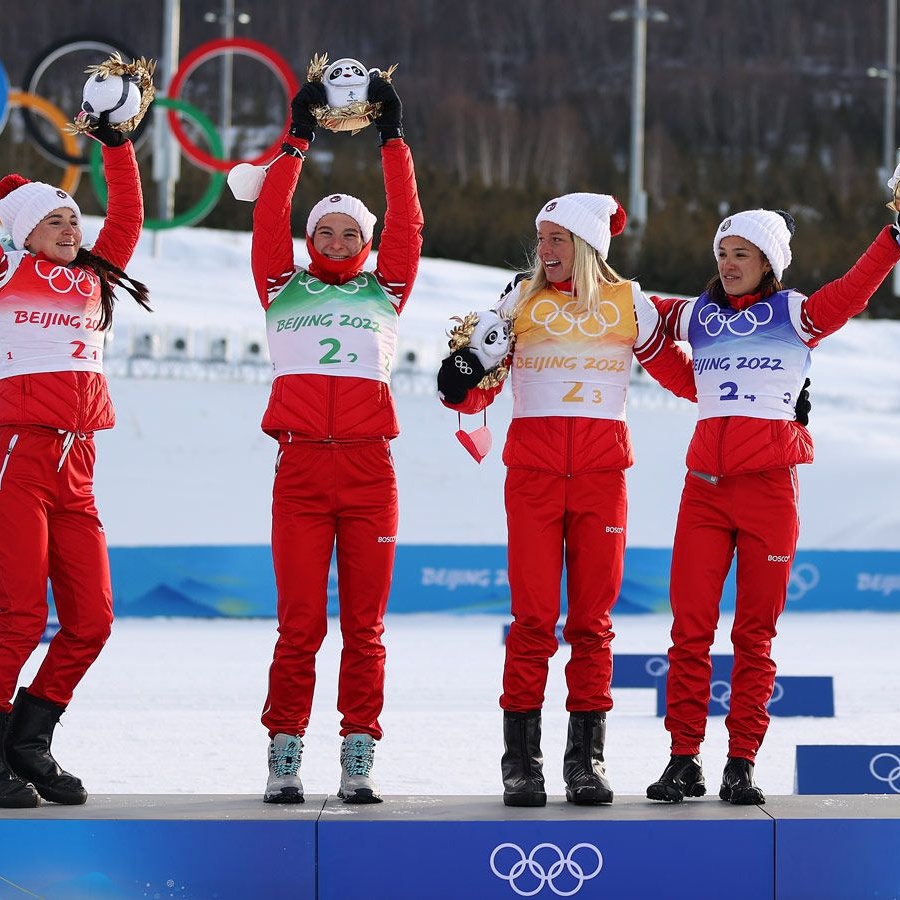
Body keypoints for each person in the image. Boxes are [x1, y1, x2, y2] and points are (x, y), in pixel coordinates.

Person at [437, 193, 696, 806]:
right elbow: (475, 390)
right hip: (533, 476)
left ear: (587, 246)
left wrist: (752, 395)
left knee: (592, 624)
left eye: (557, 240)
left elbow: (683, 376)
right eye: (542, 239)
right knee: (531, 621)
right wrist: (462, 377)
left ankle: (587, 761)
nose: (545, 251)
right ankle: (521, 764)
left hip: (603, 478)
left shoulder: (629, 303)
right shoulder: (518, 301)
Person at [646, 207, 900, 805]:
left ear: (768, 263)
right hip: (703, 491)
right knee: (689, 631)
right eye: (722, 252)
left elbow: (850, 293)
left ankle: (741, 762)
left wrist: (892, 239)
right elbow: (658, 342)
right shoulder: (697, 315)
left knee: (754, 636)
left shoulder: (793, 314)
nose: (727, 264)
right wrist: (604, 299)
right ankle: (684, 759)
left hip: (769, 492)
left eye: (742, 254)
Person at [252, 73, 423, 804]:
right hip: (299, 472)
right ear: (308, 238)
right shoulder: (280, 285)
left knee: (365, 628)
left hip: (367, 473)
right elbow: (267, 215)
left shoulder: (388, 288)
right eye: (324, 230)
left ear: (368, 242)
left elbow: (409, 222)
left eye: (351, 231)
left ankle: (359, 751)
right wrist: (297, 137)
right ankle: (284, 751)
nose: (337, 240)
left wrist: (393, 139)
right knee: (298, 629)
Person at [0, 112, 150, 807]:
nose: (70, 228)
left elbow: (128, 211)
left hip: (77, 464)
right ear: (20, 231)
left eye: (72, 218)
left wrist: (114, 142)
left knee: (91, 620)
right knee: (19, 615)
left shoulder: (95, 276)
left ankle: (26, 741)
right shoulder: (5, 269)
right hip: (18, 458)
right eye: (53, 219)